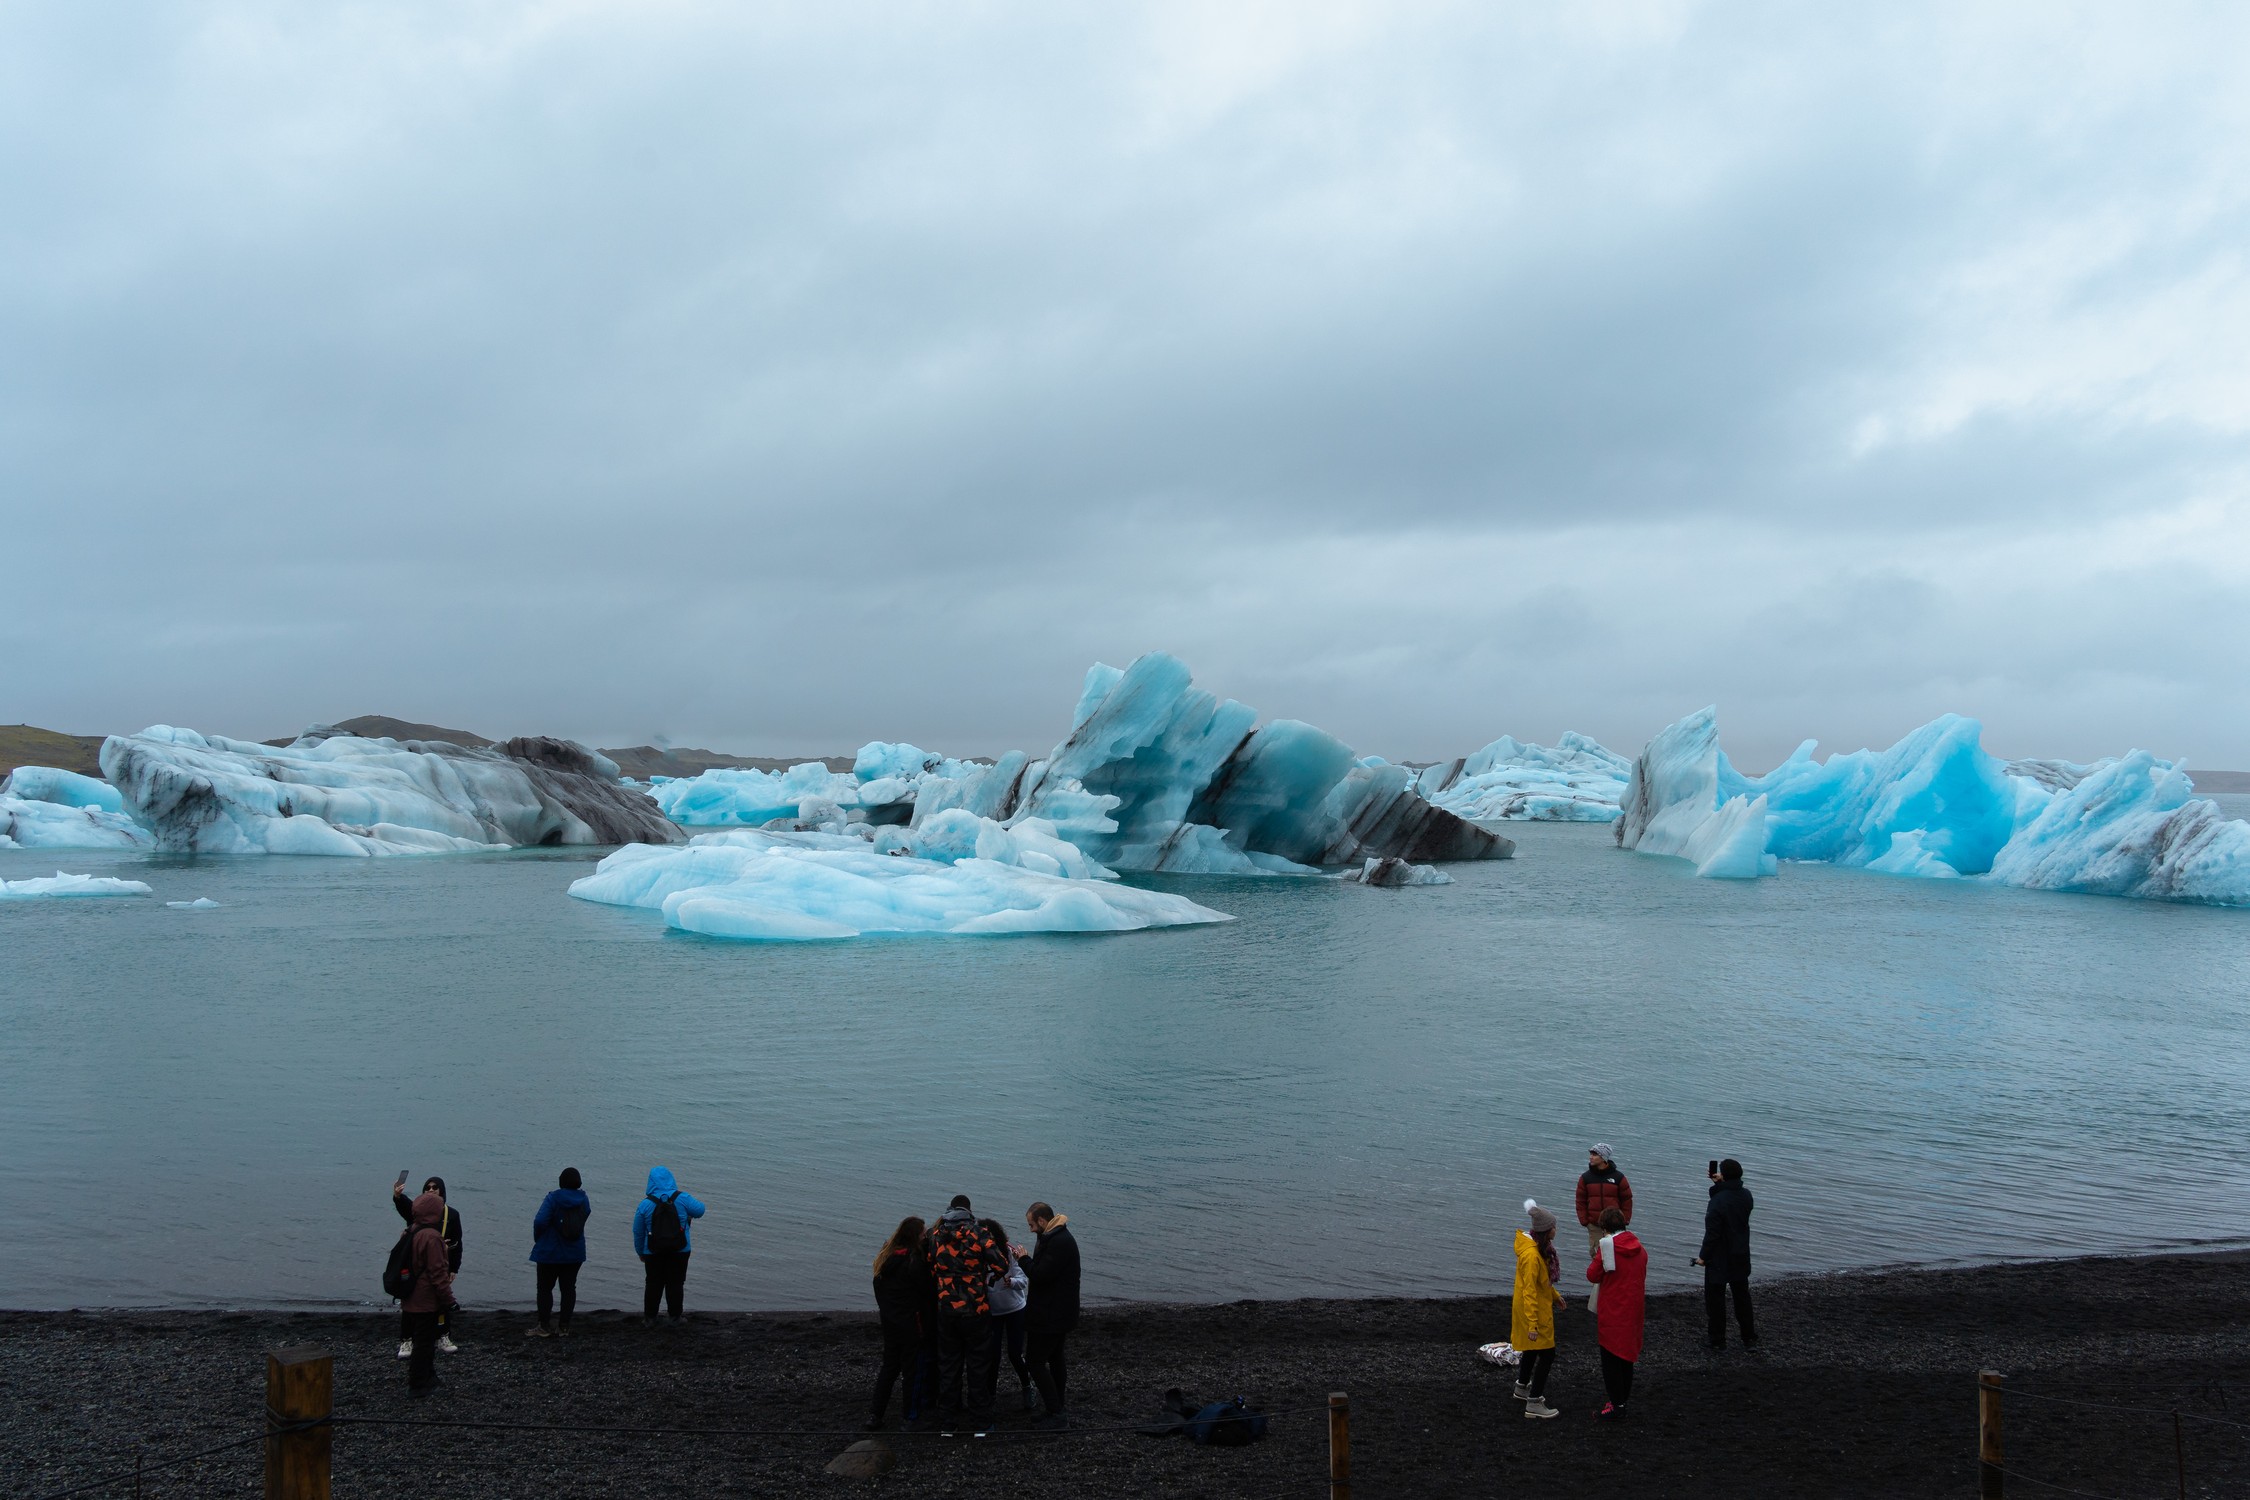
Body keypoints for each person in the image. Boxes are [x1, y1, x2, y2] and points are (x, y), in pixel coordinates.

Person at [920, 1195, 1009, 1434]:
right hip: (976, 1310)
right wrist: (987, 1278)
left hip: (947, 1311)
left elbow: (930, 1266)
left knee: (949, 1366)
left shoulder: (936, 1236)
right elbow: (1002, 1265)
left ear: (950, 1210)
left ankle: (948, 1424)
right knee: (978, 1367)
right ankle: (981, 1423)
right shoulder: (980, 1233)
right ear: (969, 1211)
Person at [1022, 1201, 1080, 1430]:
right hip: (1059, 1312)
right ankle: (1056, 1408)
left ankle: (1056, 1412)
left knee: (1035, 1362)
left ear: (1043, 1221)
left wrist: (1023, 1259)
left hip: (1051, 1315)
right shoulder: (1054, 1237)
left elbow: (1040, 1275)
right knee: (1055, 1358)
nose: (1030, 1229)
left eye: (1031, 1225)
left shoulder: (1058, 1242)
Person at [1585, 1206, 1646, 1418]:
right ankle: (1622, 1401)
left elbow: (1592, 1275)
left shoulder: (1608, 1248)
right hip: (1634, 1308)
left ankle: (1616, 1404)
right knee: (1626, 1357)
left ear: (1605, 1228)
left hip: (1613, 1309)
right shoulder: (1639, 1247)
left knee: (1610, 1359)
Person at [393, 1175, 463, 1358]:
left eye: (435, 1187)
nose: (431, 1190)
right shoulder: (416, 1214)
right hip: (415, 1267)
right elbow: (405, 1206)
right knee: (409, 1304)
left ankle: (443, 1336)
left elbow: (458, 1242)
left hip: (441, 1264)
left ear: (442, 1191)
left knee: (442, 1303)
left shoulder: (451, 1215)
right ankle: (406, 1341)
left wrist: (454, 1267)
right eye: (427, 1188)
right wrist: (398, 1196)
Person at [868, 1216, 928, 1429]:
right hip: (911, 1324)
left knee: (889, 1368)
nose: (925, 1235)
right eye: (923, 1233)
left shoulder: (885, 1261)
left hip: (890, 1323)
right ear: (915, 1236)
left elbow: (879, 1291)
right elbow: (924, 1293)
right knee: (912, 1371)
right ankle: (909, 1418)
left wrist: (888, 1312)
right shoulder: (913, 1262)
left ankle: (876, 1414)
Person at [400, 1189, 459, 1397]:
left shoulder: (410, 1231)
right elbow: (437, 1273)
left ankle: (429, 1376)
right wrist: (450, 1300)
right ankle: (418, 1385)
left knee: (421, 1340)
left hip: (409, 1296)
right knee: (424, 1343)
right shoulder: (432, 1237)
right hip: (426, 1299)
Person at [1511, 1199, 1567, 1419]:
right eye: (1554, 1226)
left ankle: (1522, 1387)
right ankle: (1534, 1403)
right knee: (1547, 1354)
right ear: (1546, 1230)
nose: (1556, 1229)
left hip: (1531, 1309)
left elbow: (1540, 1285)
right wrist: (1533, 1324)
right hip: (1532, 1312)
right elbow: (1530, 1293)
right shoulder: (1533, 1257)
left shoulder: (1537, 1250)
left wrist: (1555, 1296)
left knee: (1532, 1350)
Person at [1695, 1157, 1758, 1349]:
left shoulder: (1718, 1201)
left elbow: (1713, 1233)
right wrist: (1718, 1185)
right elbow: (1730, 1201)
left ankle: (1717, 1340)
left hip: (1719, 1256)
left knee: (1715, 1299)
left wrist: (1703, 1257)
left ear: (1724, 1175)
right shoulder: (1746, 1195)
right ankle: (1749, 1338)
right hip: (1740, 1253)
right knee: (1742, 1297)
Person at [632, 1166, 706, 1324]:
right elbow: (700, 1210)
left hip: (652, 1250)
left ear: (650, 1182)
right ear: (671, 1179)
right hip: (680, 1249)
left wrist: (640, 1252)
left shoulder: (645, 1204)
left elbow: (638, 1231)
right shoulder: (682, 1198)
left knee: (653, 1283)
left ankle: (650, 1318)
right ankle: (675, 1317)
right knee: (676, 1282)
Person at [528, 1168, 591, 1338]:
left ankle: (544, 1326)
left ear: (561, 1181)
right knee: (569, 1288)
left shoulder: (553, 1198)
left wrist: (539, 1238)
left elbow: (540, 1221)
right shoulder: (584, 1199)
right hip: (574, 1251)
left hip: (549, 1251)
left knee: (544, 1288)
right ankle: (564, 1327)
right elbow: (584, 1217)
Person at [979, 1218, 1034, 1412]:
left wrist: (1012, 1282)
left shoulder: (1009, 1252)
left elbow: (1023, 1279)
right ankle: (991, 1394)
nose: (988, 1240)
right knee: (992, 1355)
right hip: (992, 1313)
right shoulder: (977, 1254)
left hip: (1015, 1309)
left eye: (990, 1235)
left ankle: (1028, 1387)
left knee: (1014, 1353)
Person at [1575, 1145, 1633, 1260]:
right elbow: (1580, 1200)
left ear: (1603, 1158)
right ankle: (1600, 1278)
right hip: (1595, 1225)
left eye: (1594, 1155)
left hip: (1616, 1227)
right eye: (1591, 1154)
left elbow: (1627, 1200)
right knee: (1597, 1256)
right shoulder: (1585, 1178)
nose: (1590, 1157)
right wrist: (1585, 1221)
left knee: (1618, 1255)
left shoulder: (1618, 1177)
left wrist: (1624, 1220)